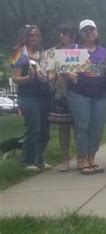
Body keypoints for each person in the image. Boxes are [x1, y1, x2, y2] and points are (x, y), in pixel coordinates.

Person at [67, 20, 106, 175]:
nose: (89, 32)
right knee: (82, 126)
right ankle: (82, 159)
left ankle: (91, 158)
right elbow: (62, 69)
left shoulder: (104, 52)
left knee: (97, 128)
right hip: (79, 94)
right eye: (85, 30)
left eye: (92, 29)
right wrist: (68, 73)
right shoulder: (74, 49)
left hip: (100, 95)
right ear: (81, 33)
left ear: (97, 32)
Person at [11, 25, 52, 172]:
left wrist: (47, 78)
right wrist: (28, 78)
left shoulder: (43, 55)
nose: (35, 39)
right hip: (28, 96)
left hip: (44, 95)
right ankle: (27, 161)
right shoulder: (20, 54)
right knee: (33, 127)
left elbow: (50, 75)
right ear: (25, 37)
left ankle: (39, 159)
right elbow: (15, 78)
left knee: (45, 130)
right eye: (31, 36)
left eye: (38, 36)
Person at [48, 24, 75, 172]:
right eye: (60, 33)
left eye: (64, 33)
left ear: (71, 35)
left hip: (79, 92)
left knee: (80, 127)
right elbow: (51, 73)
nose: (61, 36)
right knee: (63, 127)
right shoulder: (55, 52)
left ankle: (82, 157)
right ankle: (65, 159)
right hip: (62, 93)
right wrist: (47, 77)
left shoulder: (79, 50)